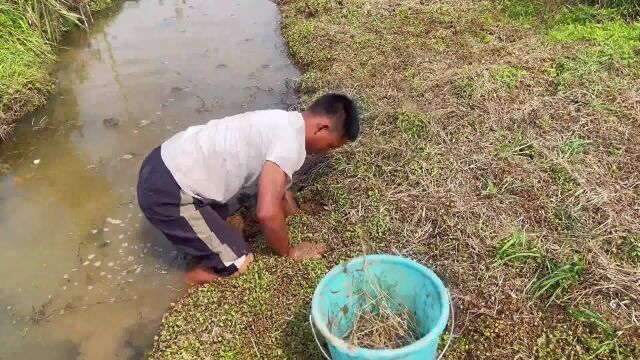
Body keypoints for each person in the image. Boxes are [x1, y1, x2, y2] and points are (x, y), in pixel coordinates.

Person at [136, 93, 360, 284]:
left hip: (163, 161)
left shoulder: (285, 121)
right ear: (322, 127)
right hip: (168, 189)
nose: (326, 152)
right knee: (239, 263)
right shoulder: (289, 145)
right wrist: (290, 252)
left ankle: (206, 252)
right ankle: (182, 282)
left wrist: (295, 215)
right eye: (330, 146)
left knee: (225, 230)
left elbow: (280, 191)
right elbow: (266, 212)